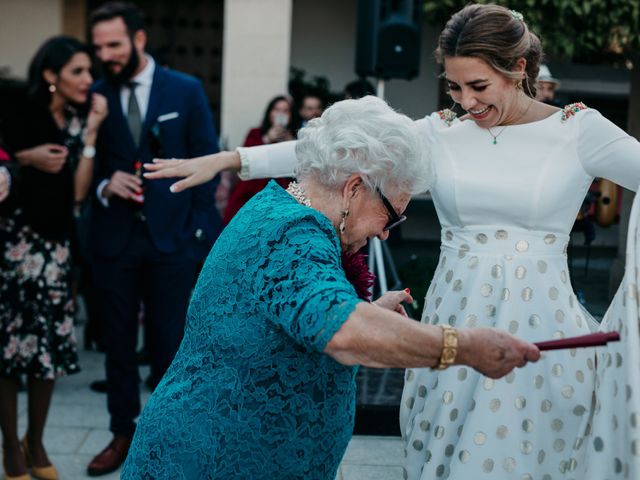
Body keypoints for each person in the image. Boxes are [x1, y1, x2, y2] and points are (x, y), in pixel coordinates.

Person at [144, 4, 640, 479]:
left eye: (479, 85)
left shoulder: (580, 130)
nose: (466, 102)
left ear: (518, 67)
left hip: (542, 319)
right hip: (455, 311)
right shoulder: (442, 132)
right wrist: (234, 159)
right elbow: (340, 148)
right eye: (453, 87)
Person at [122, 96, 538, 479]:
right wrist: (463, 348)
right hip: (215, 458)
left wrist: (370, 310)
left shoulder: (283, 208)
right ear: (355, 188)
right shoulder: (294, 233)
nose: (386, 234)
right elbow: (343, 331)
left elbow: (298, 318)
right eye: (391, 217)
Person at [85, 2, 221, 476]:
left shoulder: (184, 89)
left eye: (114, 45)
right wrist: (106, 185)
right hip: (114, 240)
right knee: (117, 345)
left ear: (139, 39)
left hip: (173, 241)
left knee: (170, 344)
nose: (106, 54)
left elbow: (208, 162)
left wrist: (202, 236)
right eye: (99, 46)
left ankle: (164, 439)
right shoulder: (95, 92)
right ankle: (122, 433)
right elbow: (90, 167)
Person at [0, 35, 108, 480]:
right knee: (9, 349)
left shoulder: (82, 118)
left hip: (58, 248)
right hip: (13, 244)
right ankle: (11, 451)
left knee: (47, 348)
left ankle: (37, 441)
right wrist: (26, 159)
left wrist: (92, 134)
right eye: (78, 71)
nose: (88, 79)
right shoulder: (15, 111)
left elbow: (79, 194)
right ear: (51, 75)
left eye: (89, 71)